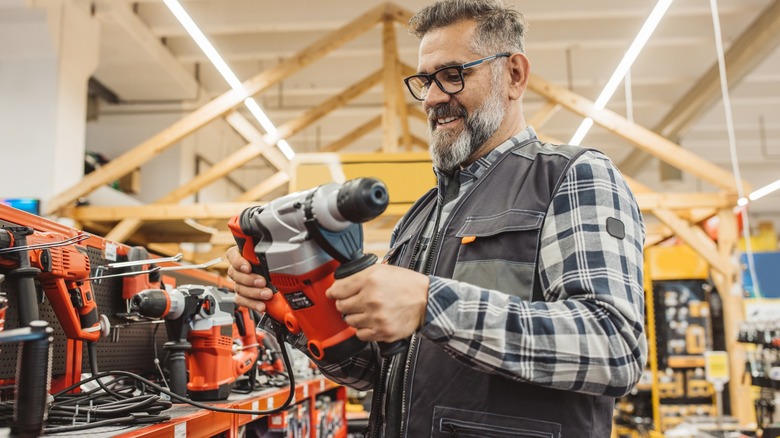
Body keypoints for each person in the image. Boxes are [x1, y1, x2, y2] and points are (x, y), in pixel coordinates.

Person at [227, 0, 647, 436]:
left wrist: (431, 303)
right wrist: (292, 303)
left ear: (515, 75)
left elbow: (614, 348)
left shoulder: (569, 176)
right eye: (425, 81)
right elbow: (375, 373)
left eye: (453, 76)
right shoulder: (420, 218)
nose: (431, 99)